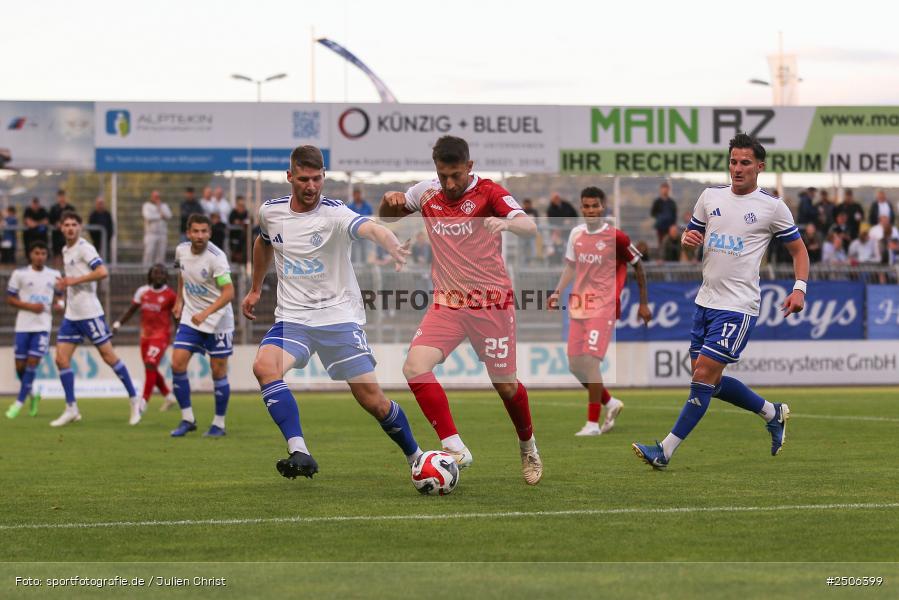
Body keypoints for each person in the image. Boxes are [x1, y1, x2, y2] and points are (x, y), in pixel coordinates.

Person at [241, 145, 422, 480]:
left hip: (337, 318)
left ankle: (417, 456)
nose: (311, 187)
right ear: (290, 177)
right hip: (294, 319)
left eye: (317, 179)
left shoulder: (335, 214)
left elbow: (370, 228)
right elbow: (263, 241)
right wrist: (255, 288)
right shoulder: (271, 212)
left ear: (324, 177)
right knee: (265, 367)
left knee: (373, 401)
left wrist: (391, 243)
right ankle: (300, 450)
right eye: (304, 179)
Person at [633, 133, 808, 470]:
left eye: (745, 163)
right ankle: (772, 412)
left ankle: (664, 451)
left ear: (760, 166)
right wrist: (687, 240)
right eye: (733, 161)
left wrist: (799, 288)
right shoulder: (709, 197)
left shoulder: (772, 207)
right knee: (707, 381)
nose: (737, 168)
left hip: (738, 305)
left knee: (702, 376)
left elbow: (799, 250)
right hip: (705, 302)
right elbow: (690, 242)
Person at [379, 135, 543, 485]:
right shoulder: (425, 193)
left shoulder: (489, 192)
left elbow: (530, 227)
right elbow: (388, 217)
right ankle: (454, 447)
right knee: (414, 367)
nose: (449, 184)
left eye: (455, 175)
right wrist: (388, 202)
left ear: (469, 167)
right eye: (443, 176)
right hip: (448, 303)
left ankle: (528, 446)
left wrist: (507, 223)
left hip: (492, 304)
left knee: (506, 386)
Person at [549, 186, 651, 436]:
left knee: (591, 361)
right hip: (579, 305)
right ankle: (610, 402)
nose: (591, 210)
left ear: (603, 207)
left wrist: (643, 303)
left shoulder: (616, 237)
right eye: (586, 206)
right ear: (581, 207)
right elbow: (571, 268)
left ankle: (592, 424)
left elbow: (638, 266)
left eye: (595, 206)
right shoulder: (576, 234)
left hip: (603, 306)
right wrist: (557, 292)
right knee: (575, 364)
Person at [50, 212, 142, 427]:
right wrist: (63, 292)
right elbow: (70, 281)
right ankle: (71, 408)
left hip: (90, 313)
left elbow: (102, 271)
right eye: (67, 225)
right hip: (72, 315)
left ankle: (134, 399)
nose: (71, 228)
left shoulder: (85, 248)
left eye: (74, 224)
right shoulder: (65, 250)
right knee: (61, 359)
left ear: (80, 227)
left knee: (109, 357)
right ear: (61, 228)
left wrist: (73, 281)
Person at [169, 214, 235, 438]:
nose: (200, 236)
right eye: (195, 231)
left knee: (218, 371)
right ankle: (188, 419)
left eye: (204, 231)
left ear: (210, 233)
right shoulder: (181, 251)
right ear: (188, 233)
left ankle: (219, 424)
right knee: (177, 364)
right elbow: (182, 275)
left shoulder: (217, 258)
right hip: (191, 318)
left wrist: (206, 313)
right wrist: (179, 301)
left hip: (218, 321)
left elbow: (229, 293)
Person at [5, 241, 63, 419]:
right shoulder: (19, 274)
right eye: (37, 253)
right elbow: (10, 298)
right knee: (19, 366)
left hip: (42, 326)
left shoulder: (54, 275)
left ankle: (18, 403)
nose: (40, 256)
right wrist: (30, 306)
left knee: (32, 363)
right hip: (23, 325)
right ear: (31, 255)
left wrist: (59, 305)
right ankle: (33, 395)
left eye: (43, 253)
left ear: (47, 255)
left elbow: (60, 298)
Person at [112, 264, 178, 412]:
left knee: (150, 364)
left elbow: (176, 318)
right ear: (150, 275)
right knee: (151, 367)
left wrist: (180, 336)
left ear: (166, 277)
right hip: (145, 337)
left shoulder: (171, 295)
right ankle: (168, 395)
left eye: (162, 273)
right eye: (156, 273)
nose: (159, 275)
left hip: (161, 336)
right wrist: (118, 323)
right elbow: (131, 310)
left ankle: (143, 402)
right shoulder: (142, 292)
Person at [142, 190, 172, 266]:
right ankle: (145, 271)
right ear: (151, 197)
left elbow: (169, 215)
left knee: (161, 254)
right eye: (155, 196)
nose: (156, 198)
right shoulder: (147, 205)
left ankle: (159, 273)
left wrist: (160, 208)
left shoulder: (163, 206)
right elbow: (148, 216)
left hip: (162, 234)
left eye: (158, 197)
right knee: (149, 253)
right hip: (151, 234)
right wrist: (160, 216)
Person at [348, 188, 374, 264]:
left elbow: (371, 218)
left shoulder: (367, 207)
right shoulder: (349, 207)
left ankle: (364, 269)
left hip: (364, 234)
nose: (357, 196)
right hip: (353, 234)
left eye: (358, 194)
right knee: (353, 253)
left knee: (364, 252)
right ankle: (353, 267)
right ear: (353, 195)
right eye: (355, 195)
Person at [88, 196, 114, 260]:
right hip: (96, 241)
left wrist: (107, 238)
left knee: (106, 257)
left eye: (102, 203)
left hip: (106, 241)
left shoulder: (107, 214)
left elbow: (111, 228)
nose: (100, 205)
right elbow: (90, 228)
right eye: (99, 203)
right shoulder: (93, 215)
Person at [48, 189, 71, 259]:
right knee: (57, 255)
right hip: (56, 235)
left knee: (68, 255)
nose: (62, 198)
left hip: (68, 236)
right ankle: (57, 270)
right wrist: (56, 224)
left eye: (63, 196)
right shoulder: (53, 208)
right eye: (60, 196)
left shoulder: (70, 208)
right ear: (57, 197)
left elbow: (75, 219)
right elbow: (49, 220)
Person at [228, 195, 250, 263]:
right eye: (240, 204)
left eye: (242, 205)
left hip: (244, 234)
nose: (241, 206)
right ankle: (236, 254)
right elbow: (232, 221)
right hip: (234, 233)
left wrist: (239, 222)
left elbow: (249, 221)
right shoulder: (233, 212)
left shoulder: (246, 212)